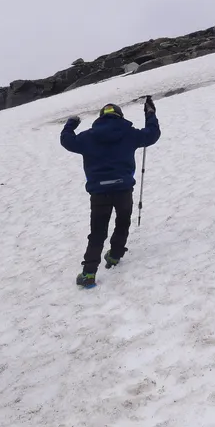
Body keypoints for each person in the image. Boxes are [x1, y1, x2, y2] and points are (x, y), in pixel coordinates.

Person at [60, 96, 161, 287]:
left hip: (99, 193)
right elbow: (152, 134)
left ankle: (89, 274)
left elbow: (67, 140)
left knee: (97, 232)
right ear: (119, 116)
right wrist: (150, 114)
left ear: (101, 117)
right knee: (122, 223)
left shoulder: (88, 137)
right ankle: (114, 256)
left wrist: (71, 123)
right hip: (123, 188)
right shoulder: (129, 133)